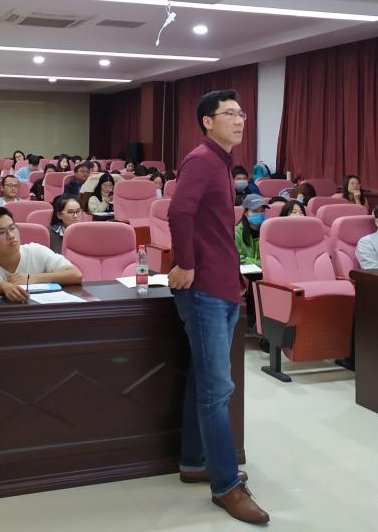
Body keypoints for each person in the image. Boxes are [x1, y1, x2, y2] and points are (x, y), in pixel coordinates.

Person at [167, 89, 268, 524]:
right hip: (204, 288)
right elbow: (179, 213)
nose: (239, 119)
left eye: (241, 113)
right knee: (217, 389)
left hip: (223, 286)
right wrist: (186, 264)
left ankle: (194, 461)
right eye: (229, 113)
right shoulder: (202, 160)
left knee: (204, 380)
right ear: (207, 121)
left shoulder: (223, 163)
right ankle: (226, 485)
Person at [0, 208, 82, 302]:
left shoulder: (35, 251)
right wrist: (4, 286)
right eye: (1, 232)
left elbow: (76, 275)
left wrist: (33, 278)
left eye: (12, 228)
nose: (11, 235)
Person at [234, 195, 267, 267]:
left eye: (262, 211)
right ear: (246, 213)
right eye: (255, 211)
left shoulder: (268, 232)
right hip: (245, 272)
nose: (259, 214)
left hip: (267, 271)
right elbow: (237, 257)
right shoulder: (236, 232)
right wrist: (260, 264)